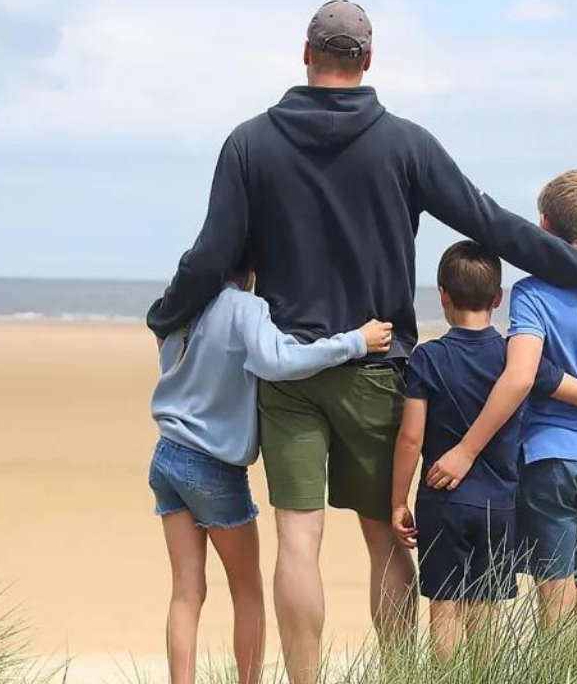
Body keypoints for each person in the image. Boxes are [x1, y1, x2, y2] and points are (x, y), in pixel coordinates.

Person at [145, 0, 577, 684]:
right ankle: (403, 675)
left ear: (306, 54)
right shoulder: (404, 143)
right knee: (383, 535)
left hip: (288, 375)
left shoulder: (250, 143)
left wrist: (167, 315)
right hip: (378, 368)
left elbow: (210, 258)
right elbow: (492, 225)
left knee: (298, 538)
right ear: (368, 61)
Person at [389, 241, 577, 662]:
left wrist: (398, 500)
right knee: (485, 610)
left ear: (442, 295)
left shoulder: (427, 358)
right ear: (497, 298)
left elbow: (411, 438)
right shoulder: (517, 360)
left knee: (444, 607)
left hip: (442, 500)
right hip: (500, 504)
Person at [147, 267, 393, 684]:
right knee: (247, 592)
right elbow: (279, 360)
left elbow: (166, 346)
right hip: (213, 466)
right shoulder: (245, 307)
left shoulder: (185, 303)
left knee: (186, 593)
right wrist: (354, 342)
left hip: (167, 455)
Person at [425, 171, 577, 630]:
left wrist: (466, 450)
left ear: (541, 228)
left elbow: (521, 376)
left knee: (554, 603)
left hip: (549, 458)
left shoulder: (531, 294)